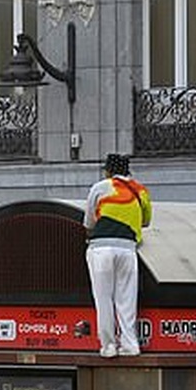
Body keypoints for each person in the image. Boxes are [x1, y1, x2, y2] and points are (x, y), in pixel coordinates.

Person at [83, 153, 152, 358]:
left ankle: (108, 346)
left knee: (104, 298)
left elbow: (88, 223)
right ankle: (130, 345)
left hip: (101, 248)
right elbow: (146, 221)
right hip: (128, 249)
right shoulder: (141, 191)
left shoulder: (101, 187)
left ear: (108, 171)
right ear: (127, 171)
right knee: (126, 298)